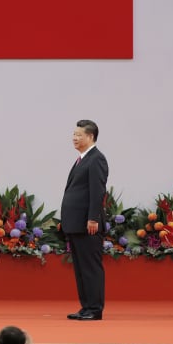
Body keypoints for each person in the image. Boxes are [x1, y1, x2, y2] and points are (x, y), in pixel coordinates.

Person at [61, 119, 108, 321]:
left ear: (90, 137)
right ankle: (86, 306)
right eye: (74, 134)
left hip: (88, 224)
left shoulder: (96, 159)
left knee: (90, 268)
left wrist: (93, 218)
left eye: (78, 135)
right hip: (76, 223)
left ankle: (95, 309)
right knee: (81, 269)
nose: (74, 138)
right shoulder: (82, 159)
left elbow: (98, 191)